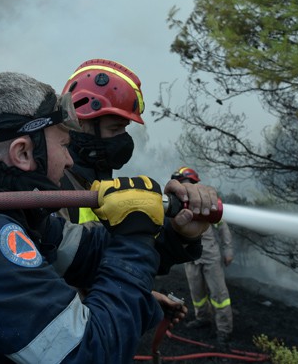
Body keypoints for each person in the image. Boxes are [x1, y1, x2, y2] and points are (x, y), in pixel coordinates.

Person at [0, 71, 219, 363]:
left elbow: (88, 251)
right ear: (23, 153)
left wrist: (175, 232)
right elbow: (91, 353)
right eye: (64, 145)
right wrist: (133, 238)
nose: (70, 161)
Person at [59, 59, 216, 323]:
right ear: (80, 122)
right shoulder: (55, 189)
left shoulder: (91, 181)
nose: (124, 140)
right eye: (115, 129)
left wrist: (179, 234)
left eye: (125, 129)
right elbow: (74, 267)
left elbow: (117, 259)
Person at [172, 166, 234, 349]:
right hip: (190, 257)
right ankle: (202, 318)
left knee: (219, 295)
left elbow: (223, 227)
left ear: (193, 182)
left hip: (209, 256)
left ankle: (224, 331)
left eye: (184, 182)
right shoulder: (177, 202)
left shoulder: (207, 201)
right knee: (196, 293)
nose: (182, 186)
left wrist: (228, 250)